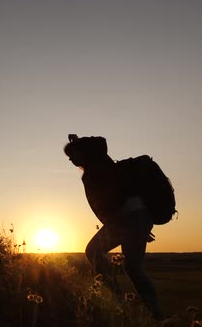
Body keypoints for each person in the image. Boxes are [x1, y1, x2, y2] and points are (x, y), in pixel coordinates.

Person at [64, 135, 164, 319]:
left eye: (72, 154)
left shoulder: (99, 166)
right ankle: (151, 310)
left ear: (85, 152)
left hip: (127, 219)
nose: (70, 158)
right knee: (131, 267)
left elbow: (112, 198)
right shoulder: (99, 165)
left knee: (101, 254)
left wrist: (137, 223)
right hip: (132, 219)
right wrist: (76, 143)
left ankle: (129, 302)